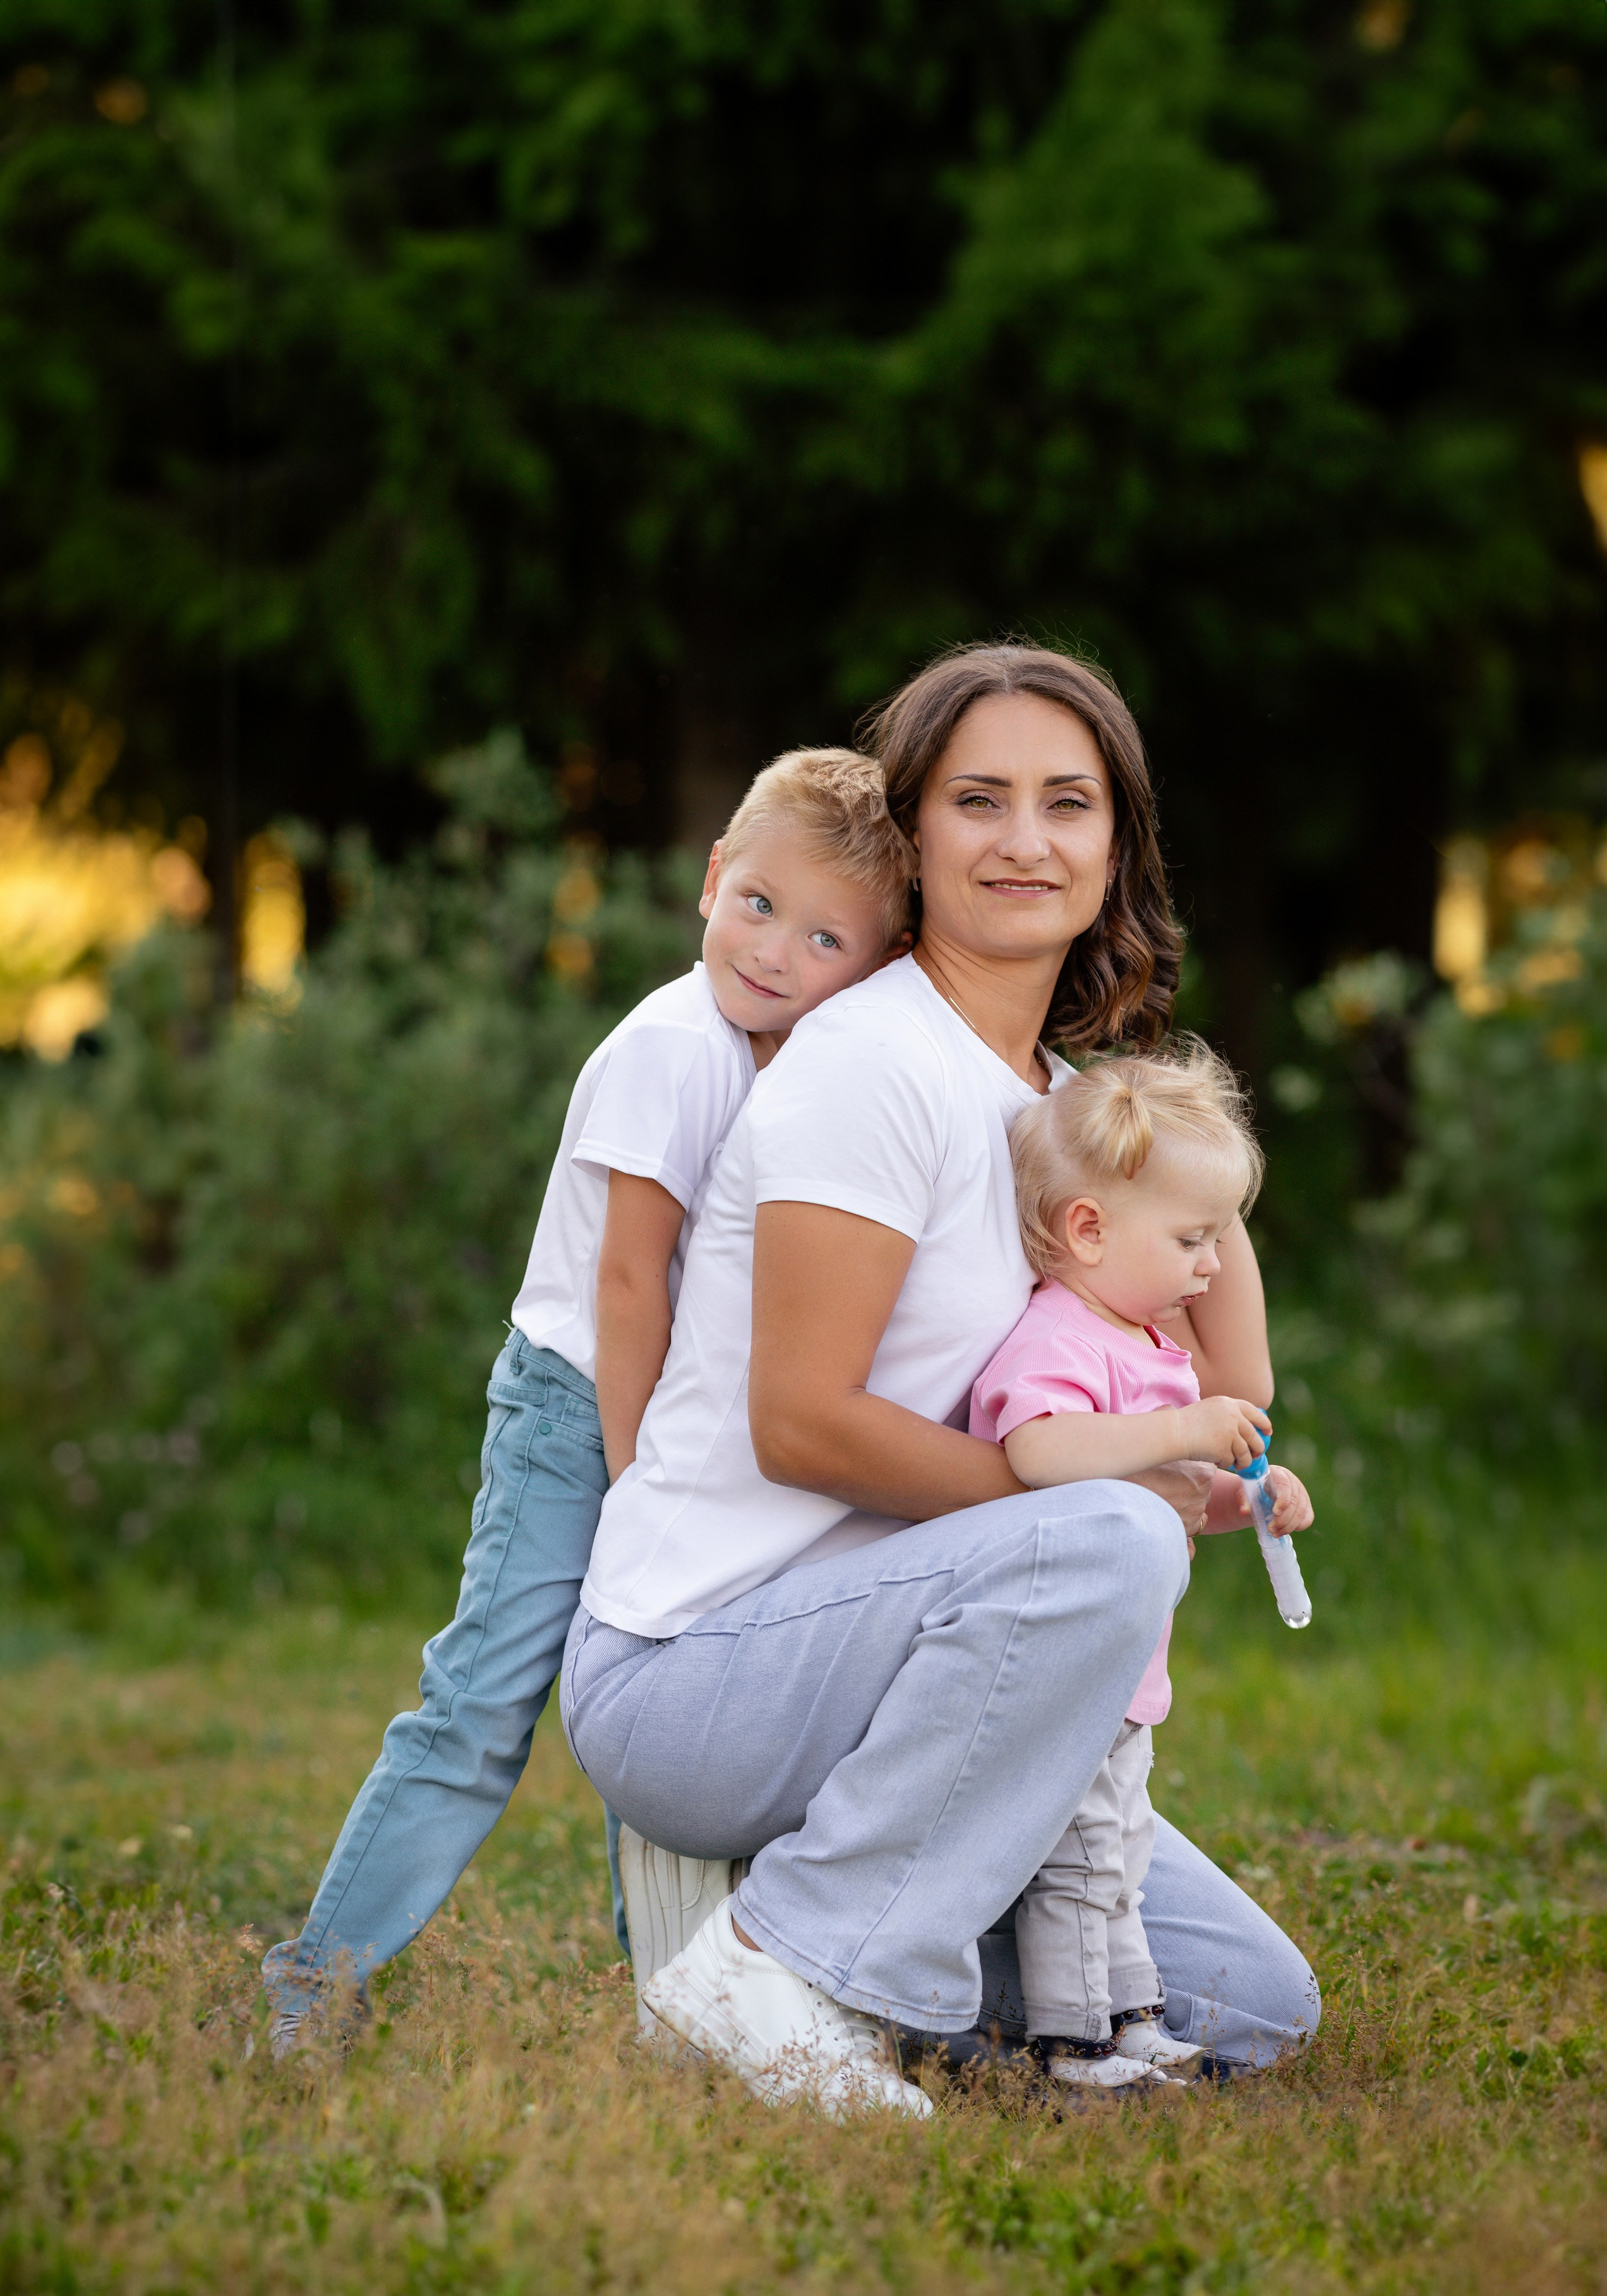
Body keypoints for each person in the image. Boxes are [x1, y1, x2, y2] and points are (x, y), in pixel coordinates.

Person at [562, 640, 1321, 2119]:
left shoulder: (1061, 1115)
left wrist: (1180, 1150)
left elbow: (1233, 1385)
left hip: (912, 1663)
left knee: (1248, 2009)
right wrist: (1077, 1520)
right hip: (700, 1664)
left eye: (1067, 804)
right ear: (913, 836)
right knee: (1106, 1536)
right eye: (978, 800)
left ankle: (803, 1925)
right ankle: (773, 1965)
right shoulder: (871, 1063)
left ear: (1116, 848)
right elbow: (798, 1424)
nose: (1024, 840)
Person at [262, 749, 913, 2050]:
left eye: (825, 937)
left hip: (662, 1417)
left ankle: (670, 1989)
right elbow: (626, 1282)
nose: (775, 952)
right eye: (759, 905)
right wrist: (636, 1483)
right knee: (480, 1706)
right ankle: (313, 1983)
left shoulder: (793, 1064)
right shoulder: (676, 1047)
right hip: (582, 1412)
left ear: (876, 964)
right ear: (711, 879)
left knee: (655, 1700)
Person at [968, 1045, 1315, 2089]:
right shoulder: (1060, 1338)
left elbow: (1172, 1492)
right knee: (1079, 1863)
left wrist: (1248, 1497)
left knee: (1120, 1854)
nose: (1213, 1266)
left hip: (1122, 1679)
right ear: (1089, 1229)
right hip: (1060, 1670)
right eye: (1192, 1240)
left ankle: (1133, 2021)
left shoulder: (1149, 1350)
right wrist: (1186, 1428)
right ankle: (1074, 2042)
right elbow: (1039, 1451)